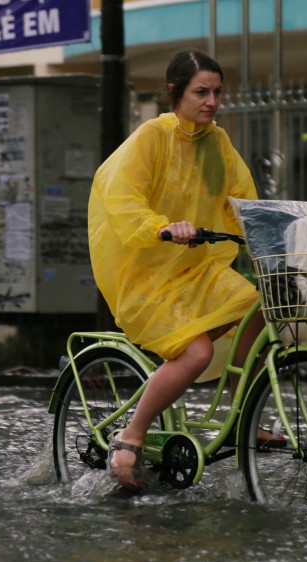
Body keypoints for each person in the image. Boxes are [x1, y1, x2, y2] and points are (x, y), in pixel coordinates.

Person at [88, 49, 267, 491]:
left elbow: (241, 197)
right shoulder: (153, 136)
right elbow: (121, 197)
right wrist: (163, 228)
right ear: (175, 92)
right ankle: (132, 433)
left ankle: (244, 413)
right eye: (201, 92)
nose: (212, 101)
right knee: (198, 353)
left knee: (255, 305)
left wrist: (272, 227)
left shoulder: (217, 142)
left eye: (217, 92)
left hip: (192, 270)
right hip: (145, 277)